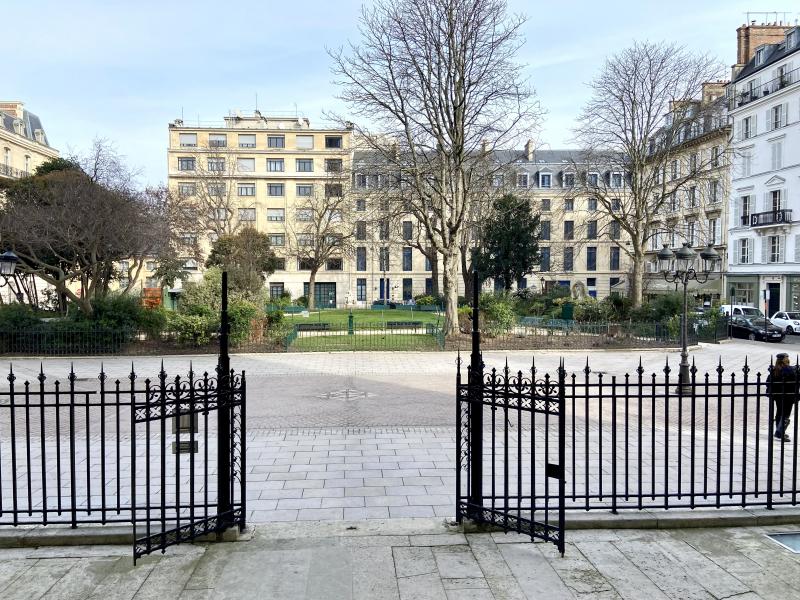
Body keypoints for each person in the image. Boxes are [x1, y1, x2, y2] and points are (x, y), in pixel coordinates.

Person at [766, 353, 798, 442]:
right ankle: (780, 433)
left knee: (779, 413)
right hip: (788, 396)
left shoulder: (775, 369)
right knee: (786, 415)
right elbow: (795, 381)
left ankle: (779, 431)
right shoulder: (789, 370)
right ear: (786, 360)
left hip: (777, 396)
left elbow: (768, 381)